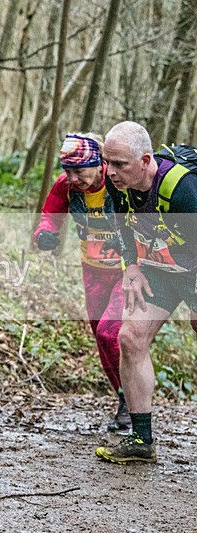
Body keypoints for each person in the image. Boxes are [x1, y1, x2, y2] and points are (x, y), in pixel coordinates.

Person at [96, 121, 197, 464]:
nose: (110, 172)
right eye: (107, 162)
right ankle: (141, 439)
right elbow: (122, 225)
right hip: (161, 266)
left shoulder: (182, 189)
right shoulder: (117, 183)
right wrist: (132, 267)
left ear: (145, 160)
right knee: (130, 337)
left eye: (119, 164)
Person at [34, 133, 130, 433]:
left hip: (127, 271)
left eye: (80, 171)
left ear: (100, 164)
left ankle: (133, 401)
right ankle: (124, 398)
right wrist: (45, 234)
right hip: (93, 271)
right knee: (101, 339)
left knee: (110, 332)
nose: (73, 179)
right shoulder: (66, 187)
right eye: (68, 171)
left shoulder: (118, 184)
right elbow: (50, 216)